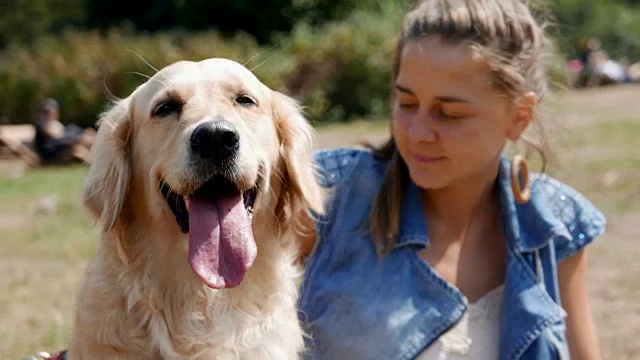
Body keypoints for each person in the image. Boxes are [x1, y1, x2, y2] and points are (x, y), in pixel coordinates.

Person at [298, 1, 605, 359]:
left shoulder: (554, 229)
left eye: (450, 114)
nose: (418, 132)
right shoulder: (327, 197)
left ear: (520, 116)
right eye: (407, 103)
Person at [34, 98, 95, 164]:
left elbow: (61, 134)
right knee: (77, 148)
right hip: (51, 151)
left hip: (60, 145)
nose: (49, 114)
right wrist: (77, 138)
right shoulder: (41, 123)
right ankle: (94, 163)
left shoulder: (55, 123)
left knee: (78, 131)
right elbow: (55, 135)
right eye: (47, 111)